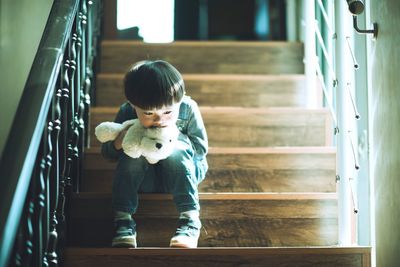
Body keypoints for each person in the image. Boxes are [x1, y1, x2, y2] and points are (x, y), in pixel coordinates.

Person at [101, 60, 208, 248]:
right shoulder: (127, 111)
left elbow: (200, 150)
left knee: (178, 149)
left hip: (182, 175)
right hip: (144, 180)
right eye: (149, 113)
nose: (159, 119)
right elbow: (108, 154)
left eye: (168, 112)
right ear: (133, 105)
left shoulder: (188, 108)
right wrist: (122, 141)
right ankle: (123, 220)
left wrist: (173, 139)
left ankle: (190, 220)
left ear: (179, 101)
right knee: (132, 152)